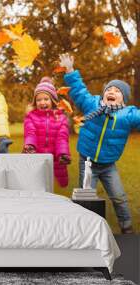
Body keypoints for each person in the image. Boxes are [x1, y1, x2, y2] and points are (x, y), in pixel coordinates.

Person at [59, 54, 140, 234]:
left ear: (124, 99)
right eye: (109, 89)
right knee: (86, 197)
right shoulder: (92, 104)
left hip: (109, 165)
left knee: (119, 197)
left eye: (117, 91)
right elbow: (78, 91)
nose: (112, 92)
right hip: (87, 163)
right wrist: (70, 70)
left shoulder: (128, 114)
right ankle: (85, 230)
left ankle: (127, 227)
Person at [23, 77, 71, 187]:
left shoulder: (61, 118)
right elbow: (30, 132)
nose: (42, 102)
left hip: (55, 158)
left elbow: (62, 138)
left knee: (56, 188)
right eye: (39, 100)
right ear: (35, 102)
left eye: (46, 99)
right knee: (35, 185)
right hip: (36, 156)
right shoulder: (31, 117)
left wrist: (63, 154)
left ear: (53, 100)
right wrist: (30, 145)